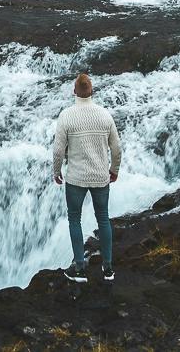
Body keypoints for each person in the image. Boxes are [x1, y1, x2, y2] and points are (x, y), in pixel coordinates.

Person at [51, 71, 121, 282]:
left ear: (74, 92)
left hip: (76, 179)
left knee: (75, 219)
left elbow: (57, 151)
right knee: (103, 219)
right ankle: (108, 269)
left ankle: (79, 268)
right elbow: (117, 149)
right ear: (93, 91)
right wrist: (114, 170)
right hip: (100, 176)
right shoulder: (104, 115)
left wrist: (56, 171)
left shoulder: (66, 116)